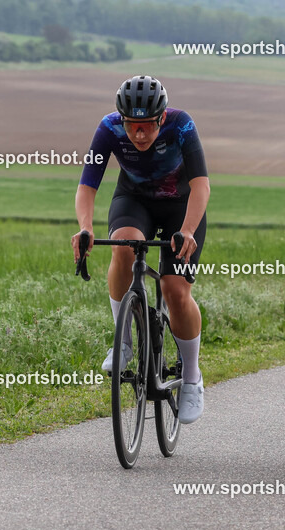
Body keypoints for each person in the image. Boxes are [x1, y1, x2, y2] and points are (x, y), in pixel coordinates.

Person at [71, 75, 210, 424]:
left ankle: (192, 377)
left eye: (147, 126)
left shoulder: (181, 124)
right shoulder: (108, 127)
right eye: (132, 126)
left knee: (175, 289)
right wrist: (85, 228)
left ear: (161, 118)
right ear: (122, 119)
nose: (139, 134)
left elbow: (201, 185)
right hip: (134, 201)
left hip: (181, 206)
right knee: (122, 249)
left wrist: (188, 230)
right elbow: (88, 185)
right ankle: (123, 343)